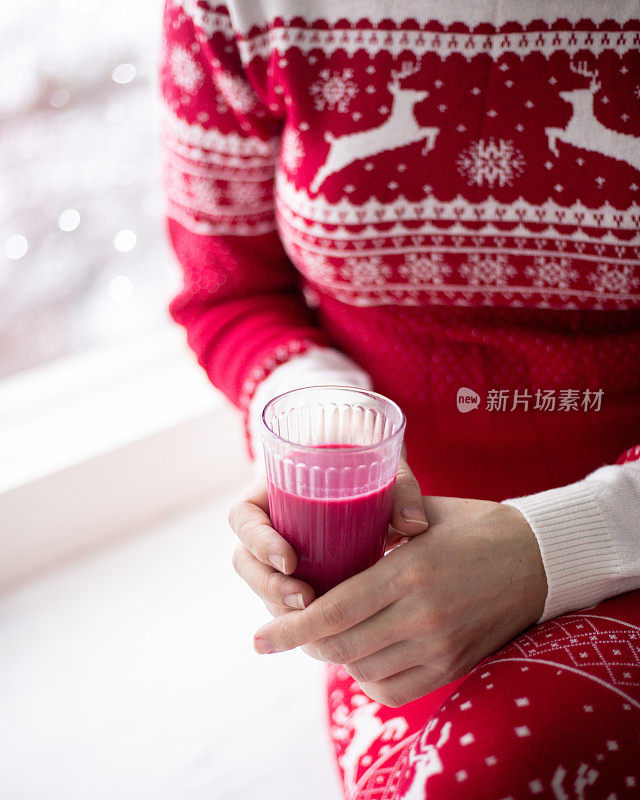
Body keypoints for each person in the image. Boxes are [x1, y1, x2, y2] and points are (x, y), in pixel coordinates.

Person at [160, 1, 640, 797]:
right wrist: (323, 434)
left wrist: (547, 548)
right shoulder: (234, 10)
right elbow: (231, 291)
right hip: (416, 589)